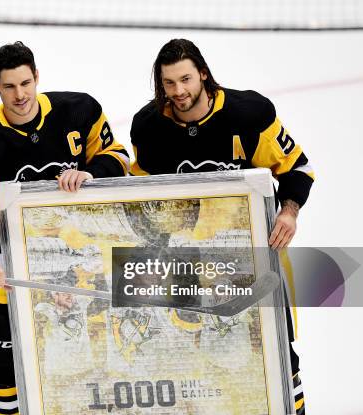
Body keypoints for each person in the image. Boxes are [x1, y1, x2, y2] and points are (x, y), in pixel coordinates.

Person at [130, 38, 313, 414]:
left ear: (203, 74)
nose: (178, 91)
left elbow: (298, 169)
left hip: (252, 260)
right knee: (192, 363)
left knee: (277, 357)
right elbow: (141, 198)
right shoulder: (148, 126)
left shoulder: (250, 113)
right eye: (169, 83)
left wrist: (289, 211)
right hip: (187, 267)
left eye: (185, 79)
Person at [0, 41, 129, 415]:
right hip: (7, 271)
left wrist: (92, 172)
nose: (20, 95)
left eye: (26, 83)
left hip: (80, 269)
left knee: (89, 365)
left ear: (37, 77)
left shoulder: (79, 110)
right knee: (2, 375)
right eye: (10, 86)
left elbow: (120, 158)